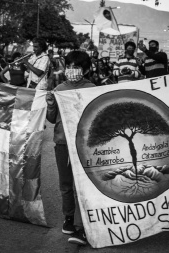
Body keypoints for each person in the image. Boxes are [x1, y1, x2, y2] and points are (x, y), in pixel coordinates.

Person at [46, 51, 96, 246]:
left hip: (84, 144)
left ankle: (88, 221)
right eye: (69, 66)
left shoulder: (92, 89)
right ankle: (68, 220)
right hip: (62, 143)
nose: (72, 70)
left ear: (86, 69)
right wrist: (51, 105)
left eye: (77, 67)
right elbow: (52, 119)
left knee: (84, 184)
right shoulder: (59, 89)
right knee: (66, 184)